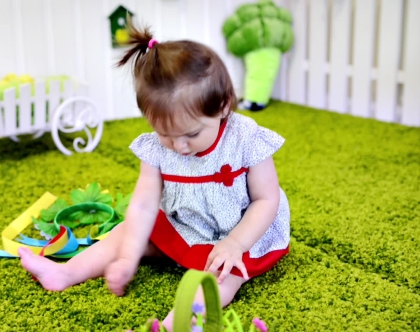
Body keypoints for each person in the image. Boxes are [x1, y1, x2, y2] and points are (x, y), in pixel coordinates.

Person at [18, 19, 290, 330]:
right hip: (187, 223)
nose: (179, 146)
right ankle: (64, 273)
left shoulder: (246, 139)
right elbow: (144, 206)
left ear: (224, 106)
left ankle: (175, 324)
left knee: (222, 275)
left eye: (191, 134)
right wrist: (128, 256)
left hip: (243, 233)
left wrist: (236, 243)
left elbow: (266, 200)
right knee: (125, 233)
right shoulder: (156, 148)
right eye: (165, 134)